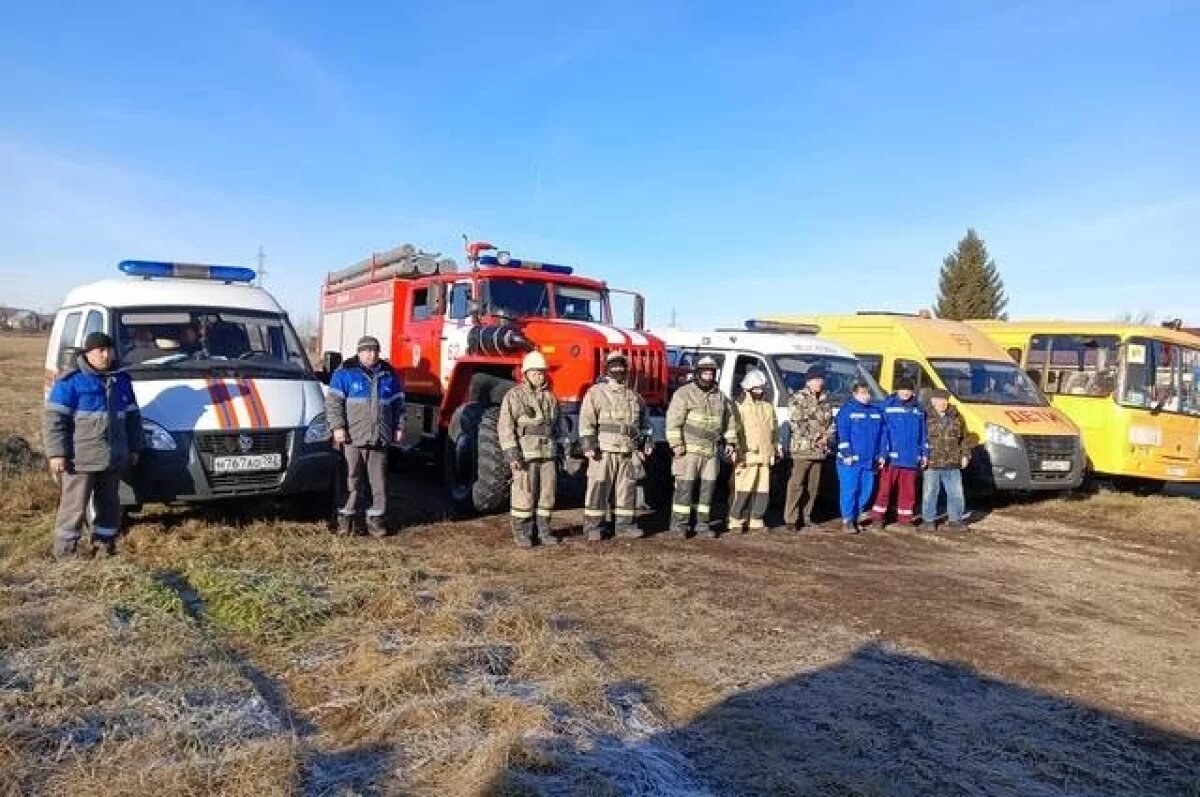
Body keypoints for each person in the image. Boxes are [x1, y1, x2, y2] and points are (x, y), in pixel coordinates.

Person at [43, 332, 143, 559]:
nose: (106, 355)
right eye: (101, 351)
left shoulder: (122, 381)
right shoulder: (71, 382)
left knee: (109, 506)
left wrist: (135, 447)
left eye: (109, 350)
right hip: (80, 460)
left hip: (113, 458)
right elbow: (54, 421)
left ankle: (104, 547)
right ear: (88, 353)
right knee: (74, 508)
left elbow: (133, 418)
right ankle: (65, 554)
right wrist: (57, 454)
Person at [326, 336, 404, 536]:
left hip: (379, 438)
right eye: (368, 350)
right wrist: (337, 427)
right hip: (352, 438)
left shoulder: (389, 375)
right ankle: (345, 520)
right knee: (350, 480)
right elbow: (333, 404)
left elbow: (398, 404)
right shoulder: (344, 374)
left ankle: (375, 521)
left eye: (375, 350)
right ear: (359, 352)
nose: (372, 354)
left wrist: (399, 426)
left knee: (378, 483)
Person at [578, 352, 653, 541]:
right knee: (598, 488)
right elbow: (586, 420)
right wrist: (588, 445)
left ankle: (624, 526)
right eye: (614, 366)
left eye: (621, 366)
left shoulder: (634, 397)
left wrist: (647, 441)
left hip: (627, 451)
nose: (618, 369)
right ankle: (594, 527)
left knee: (626, 490)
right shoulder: (596, 392)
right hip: (603, 451)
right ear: (607, 369)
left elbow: (645, 424)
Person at [665, 355, 739, 538]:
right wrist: (676, 445)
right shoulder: (684, 393)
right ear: (697, 373)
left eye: (711, 373)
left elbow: (729, 421)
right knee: (684, 489)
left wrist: (730, 442)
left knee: (707, 491)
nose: (708, 376)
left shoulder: (720, 397)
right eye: (704, 372)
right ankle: (679, 526)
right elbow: (673, 422)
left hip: (711, 452)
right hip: (688, 452)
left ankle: (702, 525)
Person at [498, 351, 560, 548]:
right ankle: (523, 533)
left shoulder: (551, 398)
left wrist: (564, 450)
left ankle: (544, 531)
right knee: (524, 494)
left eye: (541, 373)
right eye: (535, 373)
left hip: (548, 453)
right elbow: (505, 426)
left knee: (547, 494)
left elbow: (557, 426)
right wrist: (512, 453)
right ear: (525, 374)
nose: (539, 376)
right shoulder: (514, 396)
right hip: (525, 454)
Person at [870, 377, 928, 528]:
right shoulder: (887, 406)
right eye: (902, 390)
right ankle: (878, 517)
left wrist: (924, 454)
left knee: (908, 491)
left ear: (912, 391)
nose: (905, 393)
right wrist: (882, 453)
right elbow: (882, 433)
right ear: (897, 390)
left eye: (908, 390)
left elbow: (923, 434)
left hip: (910, 457)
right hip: (891, 458)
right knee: (884, 489)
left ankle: (905, 519)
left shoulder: (919, 410)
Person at [783, 365, 834, 531]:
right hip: (802, 448)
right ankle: (791, 519)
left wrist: (827, 437)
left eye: (821, 379)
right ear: (809, 381)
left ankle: (806, 516)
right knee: (796, 484)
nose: (819, 382)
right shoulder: (797, 398)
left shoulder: (826, 400)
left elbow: (831, 423)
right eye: (816, 379)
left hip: (820, 450)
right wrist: (815, 437)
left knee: (813, 486)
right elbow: (796, 423)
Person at [729, 369, 780, 532]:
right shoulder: (739, 406)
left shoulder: (767, 407)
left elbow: (774, 430)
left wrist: (775, 448)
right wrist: (735, 449)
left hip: (765, 455)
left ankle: (756, 520)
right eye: (756, 388)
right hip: (747, 455)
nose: (760, 391)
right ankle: (736, 520)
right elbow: (733, 430)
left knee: (762, 490)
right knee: (743, 489)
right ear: (748, 388)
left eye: (761, 388)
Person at [834, 380, 885, 534]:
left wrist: (882, 454)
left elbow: (882, 436)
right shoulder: (847, 411)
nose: (866, 396)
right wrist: (847, 454)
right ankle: (847, 520)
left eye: (868, 393)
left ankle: (856, 517)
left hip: (869, 461)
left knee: (865, 491)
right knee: (850, 490)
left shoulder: (876, 412)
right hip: (850, 461)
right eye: (862, 393)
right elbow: (842, 435)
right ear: (855, 394)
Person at [923, 389, 972, 531]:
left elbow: (965, 439)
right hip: (932, 462)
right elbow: (919, 438)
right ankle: (928, 521)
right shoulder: (925, 417)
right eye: (938, 400)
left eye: (944, 400)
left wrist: (965, 455)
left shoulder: (957, 417)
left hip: (952, 462)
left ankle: (955, 520)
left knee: (956, 493)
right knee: (930, 492)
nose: (942, 403)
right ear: (932, 401)